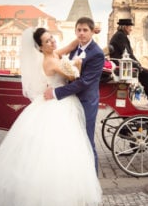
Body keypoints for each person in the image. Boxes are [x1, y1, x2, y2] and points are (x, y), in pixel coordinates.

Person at [0, 26, 102, 206]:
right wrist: (77, 62)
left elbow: (70, 45)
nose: (52, 42)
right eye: (47, 41)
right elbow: (73, 76)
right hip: (57, 106)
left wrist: (89, 33)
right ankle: (51, 202)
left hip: (54, 103)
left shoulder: (55, 54)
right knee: (56, 151)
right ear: (40, 47)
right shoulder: (50, 60)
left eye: (52, 38)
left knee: (61, 150)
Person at [44, 17, 105, 172]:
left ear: (92, 32)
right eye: (79, 30)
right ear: (75, 31)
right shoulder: (76, 46)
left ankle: (93, 178)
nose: (82, 33)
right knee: (72, 140)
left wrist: (56, 92)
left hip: (86, 102)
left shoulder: (97, 54)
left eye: (85, 30)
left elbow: (84, 82)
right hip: (71, 101)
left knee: (87, 140)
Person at [109, 18, 148, 109]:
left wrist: (137, 64)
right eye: (130, 27)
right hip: (124, 67)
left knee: (146, 75)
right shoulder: (121, 36)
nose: (131, 29)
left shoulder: (119, 35)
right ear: (125, 27)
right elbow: (127, 54)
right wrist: (137, 65)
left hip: (123, 65)